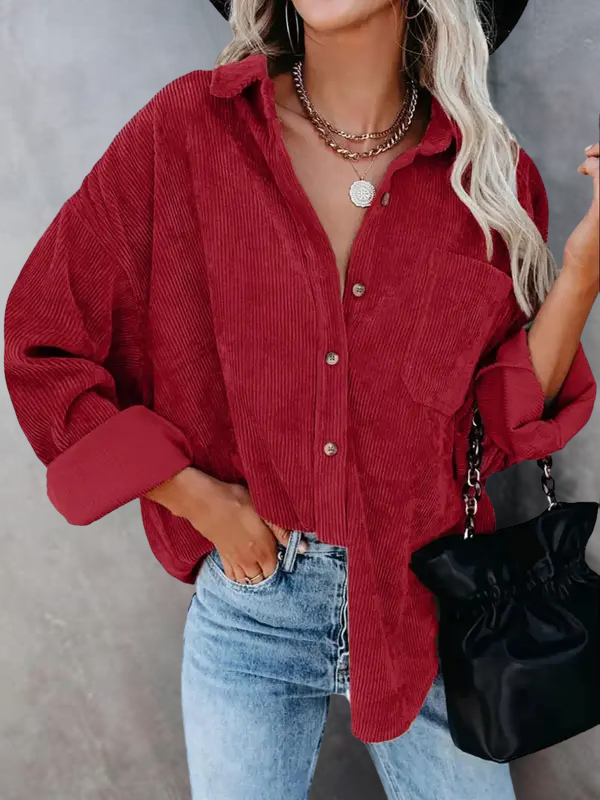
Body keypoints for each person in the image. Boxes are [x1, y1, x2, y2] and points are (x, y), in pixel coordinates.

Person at [4, 0, 599, 797]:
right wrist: (198, 499)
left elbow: (489, 431)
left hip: (428, 614)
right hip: (253, 614)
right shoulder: (195, 129)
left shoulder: (486, 179)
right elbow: (43, 341)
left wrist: (585, 272)